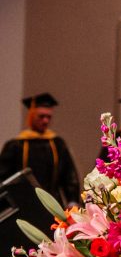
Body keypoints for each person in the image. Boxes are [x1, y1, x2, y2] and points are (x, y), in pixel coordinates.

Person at [1, 94, 80, 233]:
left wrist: (72, 201)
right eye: (41, 116)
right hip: (23, 208)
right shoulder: (16, 145)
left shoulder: (57, 144)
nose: (45, 121)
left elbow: (69, 176)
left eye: (48, 117)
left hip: (53, 206)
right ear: (31, 115)